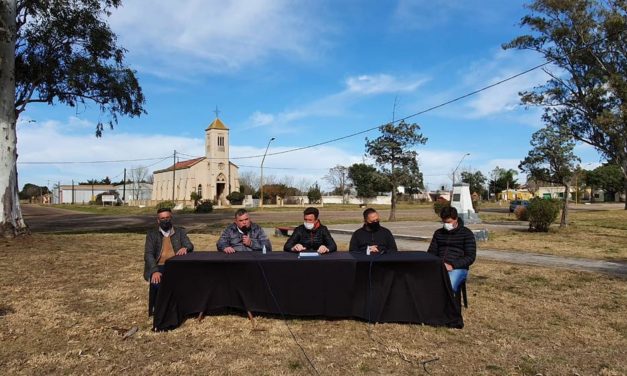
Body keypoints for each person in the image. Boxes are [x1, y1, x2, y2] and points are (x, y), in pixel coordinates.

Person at [144, 207, 194, 316]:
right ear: (158, 220)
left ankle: (183, 307)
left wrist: (185, 248)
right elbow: (148, 254)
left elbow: (189, 245)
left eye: (167, 218)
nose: (165, 220)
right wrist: (154, 271)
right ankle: (158, 309)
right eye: (162, 218)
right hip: (159, 266)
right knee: (158, 283)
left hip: (176, 265)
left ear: (171, 218)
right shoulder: (152, 234)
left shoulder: (180, 231)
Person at [427, 206, 476, 293]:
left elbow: (470, 257)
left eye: (449, 222)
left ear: (456, 219)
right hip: (439, 266)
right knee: (423, 283)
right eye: (444, 222)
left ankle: (449, 306)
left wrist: (452, 265)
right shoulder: (438, 233)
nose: (446, 224)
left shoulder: (467, 233)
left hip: (458, 267)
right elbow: (431, 252)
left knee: (448, 286)